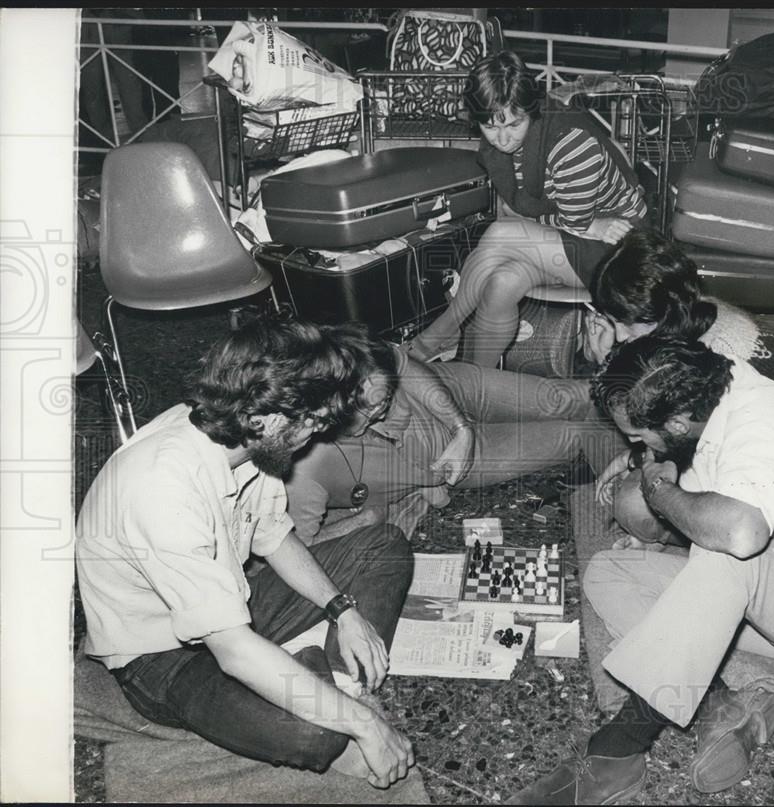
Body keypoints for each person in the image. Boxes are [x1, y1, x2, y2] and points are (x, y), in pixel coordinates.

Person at [508, 335, 774, 804]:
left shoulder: (758, 420)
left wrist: (657, 487)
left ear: (675, 421)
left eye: (637, 436)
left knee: (728, 548)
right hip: (761, 615)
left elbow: (743, 535)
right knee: (608, 571)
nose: (636, 445)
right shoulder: (706, 394)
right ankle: (717, 700)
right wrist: (641, 463)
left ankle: (617, 751)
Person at [75, 317, 415, 790]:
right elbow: (232, 651)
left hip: (231, 600)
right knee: (316, 735)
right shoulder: (160, 487)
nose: (313, 437)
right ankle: (322, 694)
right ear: (269, 417)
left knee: (385, 546)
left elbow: (274, 537)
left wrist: (343, 611)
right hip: (159, 655)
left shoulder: (244, 440)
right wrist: (366, 724)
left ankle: (331, 683)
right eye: (312, 423)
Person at [583, 228, 774, 546]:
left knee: (632, 503)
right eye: (611, 320)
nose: (620, 335)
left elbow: (688, 437)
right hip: (766, 459)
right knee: (615, 462)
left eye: (627, 322)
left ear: (663, 312)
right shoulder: (694, 314)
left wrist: (635, 460)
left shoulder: (721, 354)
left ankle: (681, 547)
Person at [405, 49, 648, 369]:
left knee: (501, 233)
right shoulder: (502, 142)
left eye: (514, 124)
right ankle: (477, 382)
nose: (503, 138)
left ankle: (438, 336)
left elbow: (565, 220)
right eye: (491, 127)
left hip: (620, 251)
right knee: (503, 281)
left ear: (531, 111)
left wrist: (587, 225)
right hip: (573, 236)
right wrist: (581, 224)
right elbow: (538, 215)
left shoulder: (569, 141)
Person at [285, 324, 617, 542]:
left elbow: (403, 364)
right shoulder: (304, 467)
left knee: (572, 397)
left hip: (456, 389)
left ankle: (650, 407)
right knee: (574, 436)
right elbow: (297, 546)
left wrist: (462, 428)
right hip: (456, 466)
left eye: (387, 397)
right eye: (372, 406)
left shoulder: (351, 353)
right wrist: (364, 519)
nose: (384, 408)